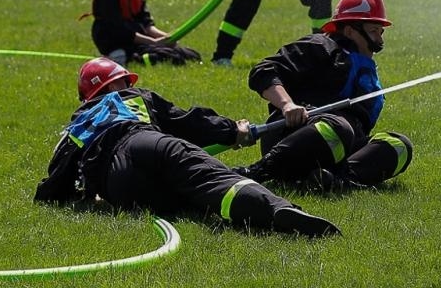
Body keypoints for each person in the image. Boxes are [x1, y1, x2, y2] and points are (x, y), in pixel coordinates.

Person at [35, 57, 339, 237]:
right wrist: (234, 130)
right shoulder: (135, 97)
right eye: (123, 81)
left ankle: (246, 211)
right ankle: (279, 211)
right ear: (113, 86)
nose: (127, 85)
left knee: (184, 198)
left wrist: (86, 196)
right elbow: (189, 122)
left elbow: (54, 182)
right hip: (148, 142)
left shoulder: (77, 124)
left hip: (120, 185)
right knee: (214, 180)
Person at [238, 0, 414, 192]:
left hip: (342, 141)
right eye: (374, 31)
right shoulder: (320, 46)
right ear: (350, 31)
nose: (380, 40)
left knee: (399, 145)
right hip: (297, 134)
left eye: (381, 32)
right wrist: (287, 105)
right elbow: (263, 70)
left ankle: (335, 181)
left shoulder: (363, 65)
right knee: (338, 128)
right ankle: (258, 172)